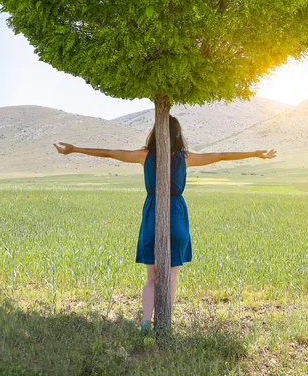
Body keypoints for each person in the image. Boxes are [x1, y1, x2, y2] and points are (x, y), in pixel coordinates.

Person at [54, 115, 276, 332]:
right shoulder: (185, 158)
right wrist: (256, 153)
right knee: (170, 278)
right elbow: (219, 155)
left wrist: (74, 149)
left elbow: (110, 153)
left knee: (152, 278)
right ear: (178, 134)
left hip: (153, 215)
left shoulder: (144, 155)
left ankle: (144, 323)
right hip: (177, 215)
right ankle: (164, 326)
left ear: (155, 132)